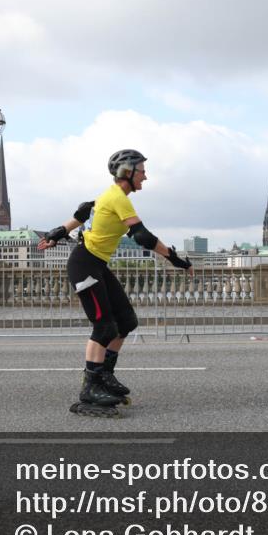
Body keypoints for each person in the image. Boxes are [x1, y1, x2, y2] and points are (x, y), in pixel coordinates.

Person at [38, 149, 193, 416]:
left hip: (96, 265)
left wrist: (57, 232)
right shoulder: (118, 198)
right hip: (84, 264)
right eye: (142, 170)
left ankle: (105, 376)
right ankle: (90, 388)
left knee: (127, 321)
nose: (145, 176)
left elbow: (84, 211)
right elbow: (142, 237)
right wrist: (175, 259)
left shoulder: (109, 197)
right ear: (127, 172)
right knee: (104, 325)